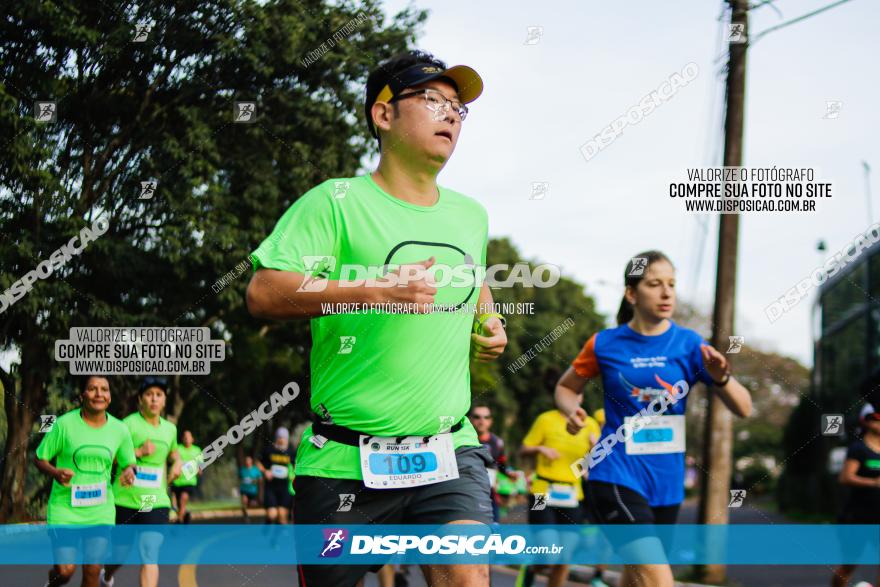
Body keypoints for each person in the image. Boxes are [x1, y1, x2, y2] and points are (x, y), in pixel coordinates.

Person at [246, 49, 506, 587]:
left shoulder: (470, 213)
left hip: (448, 452)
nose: (451, 115)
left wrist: (490, 321)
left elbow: (472, 274)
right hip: (344, 461)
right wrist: (374, 288)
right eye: (433, 99)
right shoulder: (334, 203)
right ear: (383, 115)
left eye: (459, 107)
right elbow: (264, 293)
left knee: (467, 575)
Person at [556, 251, 752, 587]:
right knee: (659, 580)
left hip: (666, 483)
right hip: (614, 473)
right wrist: (571, 410)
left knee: (637, 578)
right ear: (631, 293)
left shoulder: (688, 344)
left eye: (672, 284)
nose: (666, 293)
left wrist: (720, 377)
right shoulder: (605, 343)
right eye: (654, 284)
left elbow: (744, 407)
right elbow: (566, 387)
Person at [35, 375, 136, 587]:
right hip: (65, 508)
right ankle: (52, 581)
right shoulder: (63, 425)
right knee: (65, 571)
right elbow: (40, 458)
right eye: (92, 389)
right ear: (82, 395)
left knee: (92, 570)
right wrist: (55, 472)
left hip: (100, 509)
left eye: (104, 389)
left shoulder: (120, 430)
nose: (99, 393)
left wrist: (129, 471)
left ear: (109, 397)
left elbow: (129, 462)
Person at [102, 376, 182, 587]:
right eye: (149, 394)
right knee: (120, 554)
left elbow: (174, 453)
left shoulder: (170, 429)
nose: (154, 399)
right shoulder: (126, 425)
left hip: (154, 499)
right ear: (140, 399)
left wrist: (178, 462)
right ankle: (107, 575)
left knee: (149, 550)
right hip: (126, 499)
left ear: (164, 400)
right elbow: (112, 457)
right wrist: (138, 451)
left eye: (159, 395)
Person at [515, 395, 601, 587]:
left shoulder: (591, 424)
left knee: (565, 558)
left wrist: (595, 451)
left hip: (573, 494)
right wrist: (540, 449)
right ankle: (531, 568)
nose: (573, 397)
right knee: (548, 553)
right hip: (542, 491)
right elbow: (523, 449)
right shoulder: (546, 419)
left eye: (577, 392)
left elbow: (594, 461)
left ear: (582, 397)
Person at [831, 396, 880, 587]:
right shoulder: (858, 449)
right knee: (849, 565)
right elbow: (845, 477)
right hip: (858, 517)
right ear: (866, 420)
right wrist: (873, 482)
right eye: (877, 416)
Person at [469, 403, 520, 522]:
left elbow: (501, 464)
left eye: (486, 417)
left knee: (493, 526)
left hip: (489, 493)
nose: (482, 421)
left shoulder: (497, 442)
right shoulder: (462, 440)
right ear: (470, 419)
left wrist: (509, 474)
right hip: (467, 491)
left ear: (490, 421)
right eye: (477, 417)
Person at [256, 427, 296, 524]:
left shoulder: (291, 451)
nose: (281, 440)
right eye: (279, 438)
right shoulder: (269, 450)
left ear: (287, 439)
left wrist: (293, 474)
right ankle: (268, 522)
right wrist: (265, 471)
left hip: (285, 487)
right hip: (271, 487)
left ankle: (276, 537)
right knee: (272, 515)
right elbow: (257, 462)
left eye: (283, 438)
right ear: (276, 438)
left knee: (282, 517)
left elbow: (296, 466)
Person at [170, 430, 201, 524]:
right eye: (185, 437)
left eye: (189, 437)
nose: (187, 439)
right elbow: (171, 460)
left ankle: (178, 523)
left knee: (183, 499)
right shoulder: (178, 449)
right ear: (182, 439)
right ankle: (185, 516)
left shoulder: (197, 450)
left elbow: (200, 466)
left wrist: (199, 470)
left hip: (189, 481)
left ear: (192, 439)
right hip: (177, 481)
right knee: (177, 505)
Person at [239, 455, 261, 522]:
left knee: (252, 505)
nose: (247, 461)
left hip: (253, 490)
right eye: (246, 460)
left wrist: (255, 480)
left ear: (251, 461)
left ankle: (251, 516)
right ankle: (245, 516)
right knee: (244, 500)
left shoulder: (255, 469)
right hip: (244, 489)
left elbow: (260, 479)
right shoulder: (242, 469)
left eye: (249, 460)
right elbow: (239, 479)